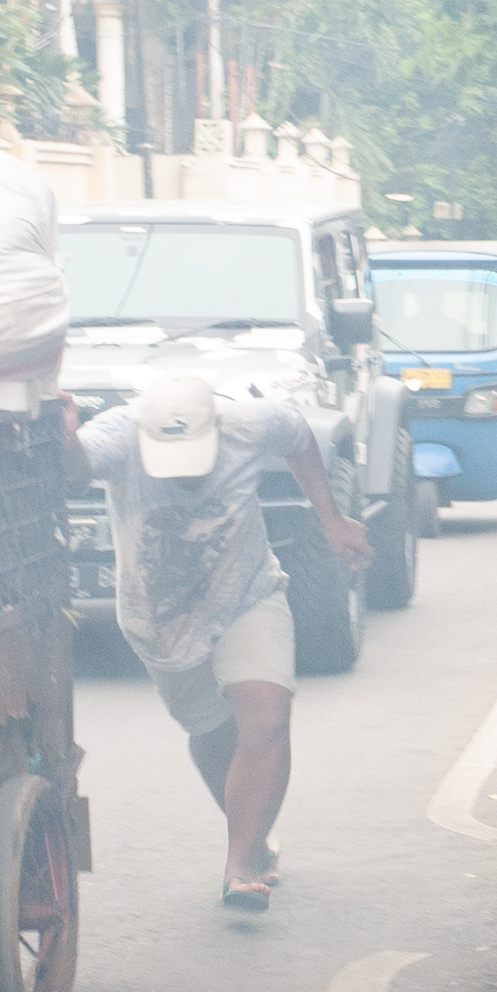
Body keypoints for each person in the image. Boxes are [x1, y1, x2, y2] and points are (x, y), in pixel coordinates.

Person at [70, 369, 369, 911]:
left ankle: (240, 862)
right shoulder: (119, 432)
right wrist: (63, 431)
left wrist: (333, 519)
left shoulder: (249, 423)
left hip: (245, 593)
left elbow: (300, 436)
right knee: (211, 733)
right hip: (160, 617)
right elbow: (73, 469)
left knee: (267, 718)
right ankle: (255, 837)